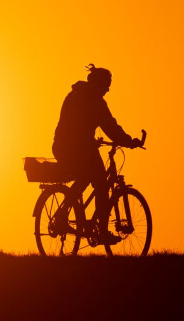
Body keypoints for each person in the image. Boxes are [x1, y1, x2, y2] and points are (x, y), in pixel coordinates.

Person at [52, 64, 143, 245]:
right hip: (74, 148)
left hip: (67, 146)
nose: (108, 89)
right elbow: (109, 126)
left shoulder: (75, 95)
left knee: (88, 177)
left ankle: (64, 213)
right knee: (100, 183)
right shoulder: (93, 101)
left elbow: (104, 125)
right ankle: (101, 231)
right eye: (106, 84)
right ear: (98, 84)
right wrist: (128, 141)